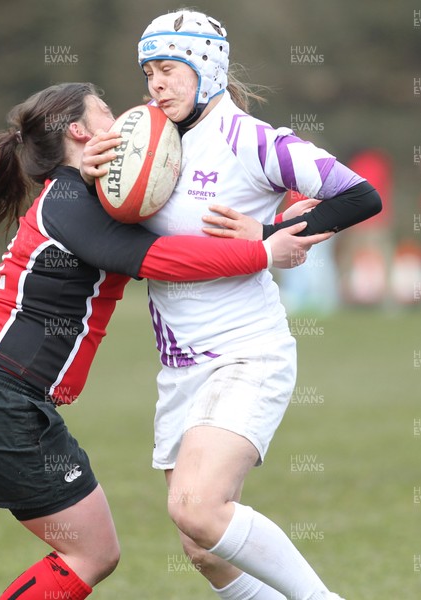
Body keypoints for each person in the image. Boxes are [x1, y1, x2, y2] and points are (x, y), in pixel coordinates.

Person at [0, 82, 328, 600]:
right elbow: (161, 258)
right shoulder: (74, 201)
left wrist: (287, 199)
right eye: (106, 110)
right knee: (93, 553)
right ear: (80, 130)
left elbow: (190, 197)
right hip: (0, 399)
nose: (124, 117)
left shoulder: (84, 194)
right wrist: (264, 251)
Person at [124, 9, 379, 600]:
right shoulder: (147, 144)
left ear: (208, 70)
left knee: (199, 506)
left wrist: (266, 236)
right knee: (201, 546)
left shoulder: (252, 139)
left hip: (246, 353)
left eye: (168, 69)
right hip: (180, 368)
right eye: (149, 72)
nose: (155, 83)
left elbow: (359, 195)